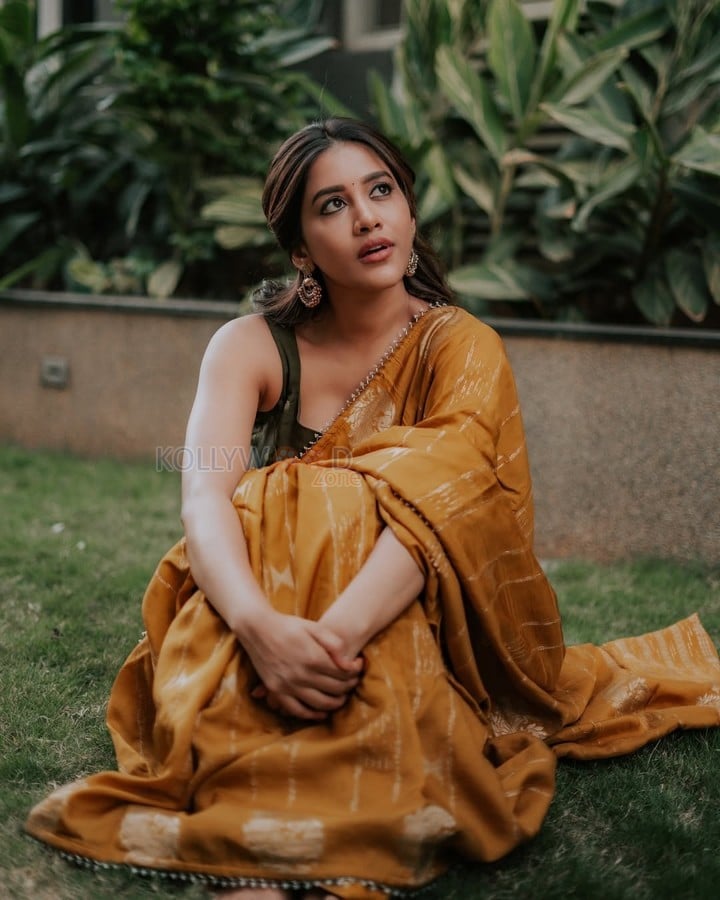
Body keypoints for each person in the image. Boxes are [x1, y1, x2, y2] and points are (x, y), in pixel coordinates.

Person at [26, 119, 720, 900]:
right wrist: (261, 630)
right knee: (272, 498)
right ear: (301, 250)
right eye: (332, 205)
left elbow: (445, 513)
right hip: (264, 599)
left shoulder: (462, 348)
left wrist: (328, 645)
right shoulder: (251, 346)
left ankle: (298, 823)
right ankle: (258, 816)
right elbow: (205, 495)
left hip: (396, 615)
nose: (365, 217)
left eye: (380, 191)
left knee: (340, 502)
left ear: (409, 212)